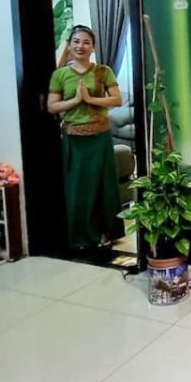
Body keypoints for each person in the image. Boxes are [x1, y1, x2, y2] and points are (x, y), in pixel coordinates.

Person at [47, 25, 124, 253]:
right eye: (76, 41)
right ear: (70, 45)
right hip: (74, 139)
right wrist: (75, 101)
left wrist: (90, 99)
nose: (80, 46)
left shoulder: (103, 71)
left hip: (100, 138)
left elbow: (117, 100)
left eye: (86, 42)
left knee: (103, 187)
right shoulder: (60, 74)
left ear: (93, 47)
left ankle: (104, 232)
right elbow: (51, 106)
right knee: (78, 189)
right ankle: (80, 236)